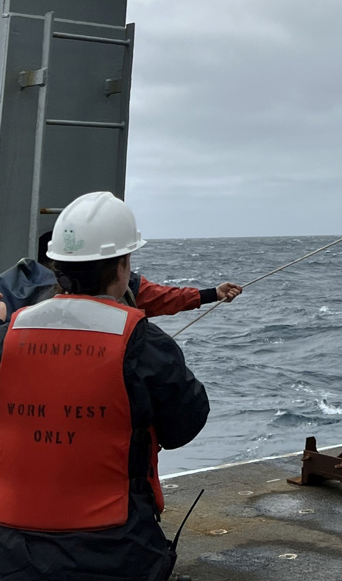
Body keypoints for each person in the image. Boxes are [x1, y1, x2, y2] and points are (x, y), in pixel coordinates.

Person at [0, 191, 210, 581]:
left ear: (56, 266)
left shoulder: (9, 334)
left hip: (10, 546)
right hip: (115, 547)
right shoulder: (144, 343)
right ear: (122, 266)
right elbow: (185, 424)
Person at [0, 232, 243, 324]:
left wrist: (212, 293)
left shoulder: (14, 293)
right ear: (121, 265)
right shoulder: (138, 339)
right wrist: (213, 294)